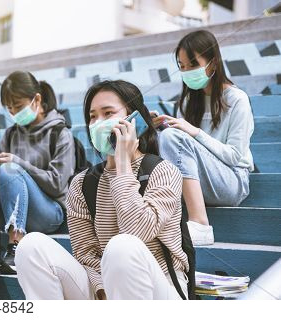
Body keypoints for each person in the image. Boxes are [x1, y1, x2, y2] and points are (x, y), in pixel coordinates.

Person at [15, 80, 189, 300]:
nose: (98, 123)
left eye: (108, 113)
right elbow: (85, 255)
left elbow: (136, 233)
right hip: (104, 290)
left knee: (121, 246)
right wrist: (104, 290)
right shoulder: (81, 184)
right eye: (92, 116)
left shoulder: (163, 171)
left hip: (161, 288)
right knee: (30, 246)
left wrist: (122, 166)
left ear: (134, 120)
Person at [0, 71, 76, 275]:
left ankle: (15, 246)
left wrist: (19, 163)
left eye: (18, 107)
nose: (15, 113)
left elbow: (57, 184)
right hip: (17, 204)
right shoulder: (12, 133)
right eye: (10, 109)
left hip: (50, 211)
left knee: (10, 169)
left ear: (37, 99)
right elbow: (1, 172)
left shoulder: (60, 133)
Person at [153, 30, 254, 246]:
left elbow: (235, 157)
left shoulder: (237, 100)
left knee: (174, 137)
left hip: (232, 181)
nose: (186, 71)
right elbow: (182, 155)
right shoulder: (189, 103)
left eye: (193, 64)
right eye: (182, 66)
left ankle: (200, 223)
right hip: (198, 181)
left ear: (213, 63)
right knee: (162, 137)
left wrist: (195, 132)